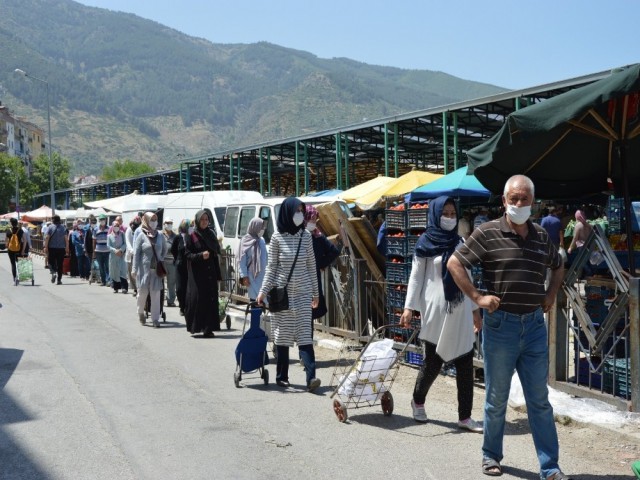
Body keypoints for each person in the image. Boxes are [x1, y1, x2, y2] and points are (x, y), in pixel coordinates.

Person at [447, 175, 569, 480]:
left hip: (534, 326)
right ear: (504, 201)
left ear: (533, 202)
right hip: (501, 326)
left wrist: (552, 293)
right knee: (497, 397)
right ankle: (491, 456)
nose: (518, 204)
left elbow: (559, 264)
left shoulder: (541, 236)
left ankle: (550, 467)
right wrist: (476, 296)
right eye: (513, 199)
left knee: (539, 400)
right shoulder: (487, 233)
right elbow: (455, 263)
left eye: (524, 199)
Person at [399, 196, 483, 432]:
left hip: (461, 309)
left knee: (465, 362)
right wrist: (408, 308)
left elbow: (467, 276)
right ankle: (418, 400)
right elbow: (416, 277)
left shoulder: (461, 241)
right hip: (435, 310)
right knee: (434, 363)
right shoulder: (424, 243)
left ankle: (465, 417)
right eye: (444, 213)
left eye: (452, 213)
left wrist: (476, 309)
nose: (449, 217)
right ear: (435, 215)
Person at [256, 197, 321, 392]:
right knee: (282, 337)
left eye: (301, 211)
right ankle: (282, 376)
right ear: (287, 213)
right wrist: (263, 291)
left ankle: (311, 378)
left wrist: (316, 294)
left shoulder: (306, 237)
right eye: (296, 211)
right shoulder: (276, 238)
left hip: (303, 294)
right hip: (282, 295)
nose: (299, 215)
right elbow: (271, 268)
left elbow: (311, 266)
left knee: (304, 337)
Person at [184, 210, 222, 337]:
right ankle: (196, 326)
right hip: (197, 274)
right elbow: (188, 254)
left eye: (207, 219)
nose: (205, 222)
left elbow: (215, 255)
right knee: (198, 299)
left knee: (210, 299)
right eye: (202, 219)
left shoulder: (211, 234)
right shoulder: (192, 235)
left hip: (210, 272)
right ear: (198, 220)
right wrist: (201, 255)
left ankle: (208, 328)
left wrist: (218, 274)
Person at [304, 204, 341, 321]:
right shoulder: (299, 237)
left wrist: (320, 264)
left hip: (311, 279)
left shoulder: (317, 236)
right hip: (302, 280)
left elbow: (334, 251)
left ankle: (307, 338)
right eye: (311, 219)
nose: (313, 222)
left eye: (315, 220)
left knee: (309, 314)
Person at [132, 212, 166, 328]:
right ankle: (140, 312)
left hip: (156, 271)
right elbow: (136, 254)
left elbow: (165, 249)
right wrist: (134, 269)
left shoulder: (160, 235)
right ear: (146, 220)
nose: (154, 222)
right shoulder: (141, 235)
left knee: (156, 294)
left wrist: (160, 258)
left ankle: (155, 319)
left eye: (155, 220)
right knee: (142, 293)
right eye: (151, 220)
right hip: (143, 270)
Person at [238, 217, 267, 301]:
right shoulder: (245, 240)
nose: (262, 230)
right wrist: (244, 276)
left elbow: (266, 258)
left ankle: (261, 314)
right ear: (255, 226)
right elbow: (241, 260)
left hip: (262, 276)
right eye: (261, 227)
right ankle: (255, 315)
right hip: (251, 276)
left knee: (262, 301)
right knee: (254, 300)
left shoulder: (262, 240)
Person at [171, 219, 190, 316]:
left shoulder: (191, 237)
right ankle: (182, 306)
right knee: (179, 288)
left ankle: (187, 306)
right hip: (179, 265)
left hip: (189, 266)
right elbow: (173, 250)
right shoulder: (177, 238)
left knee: (188, 287)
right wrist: (177, 259)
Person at [44, 215, 69, 285]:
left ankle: (53, 272)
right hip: (61, 249)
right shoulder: (63, 228)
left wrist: (45, 247)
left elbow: (47, 238)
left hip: (52, 248)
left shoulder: (50, 227)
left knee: (51, 262)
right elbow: (66, 239)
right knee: (60, 264)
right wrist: (67, 247)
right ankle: (59, 280)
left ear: (53, 220)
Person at [107, 219, 129, 293]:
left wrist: (121, 250)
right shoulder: (109, 236)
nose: (116, 227)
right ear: (112, 227)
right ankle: (116, 287)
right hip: (113, 256)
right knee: (114, 271)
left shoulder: (122, 234)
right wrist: (115, 250)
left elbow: (125, 244)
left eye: (117, 225)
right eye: (115, 226)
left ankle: (124, 287)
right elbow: (108, 246)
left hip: (121, 255)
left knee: (123, 271)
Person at [161, 218, 178, 307]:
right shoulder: (160, 235)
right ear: (164, 224)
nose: (169, 224)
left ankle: (170, 300)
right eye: (167, 223)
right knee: (160, 282)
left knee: (171, 282)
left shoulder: (175, 236)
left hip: (172, 262)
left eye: (171, 223)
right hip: (162, 262)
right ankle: (160, 300)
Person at [6, 217, 26, 285]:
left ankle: (14, 279)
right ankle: (21, 277)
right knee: (19, 263)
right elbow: (25, 240)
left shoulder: (8, 230)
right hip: (19, 249)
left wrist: (7, 245)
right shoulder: (20, 230)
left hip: (10, 249)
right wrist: (23, 250)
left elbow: (6, 241)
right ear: (17, 223)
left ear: (11, 223)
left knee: (13, 264)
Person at [92, 214, 110, 286]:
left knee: (107, 266)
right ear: (99, 221)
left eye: (104, 219)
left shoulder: (109, 228)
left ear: (106, 220)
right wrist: (93, 251)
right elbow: (94, 241)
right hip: (98, 251)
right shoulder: (96, 229)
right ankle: (103, 281)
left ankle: (108, 280)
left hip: (107, 251)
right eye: (101, 220)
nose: (103, 221)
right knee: (101, 267)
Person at [126, 216, 142, 296]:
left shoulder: (141, 229)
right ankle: (135, 288)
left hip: (139, 253)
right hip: (131, 253)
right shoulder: (129, 230)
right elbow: (128, 241)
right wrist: (132, 251)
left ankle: (139, 287)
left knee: (138, 271)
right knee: (132, 272)